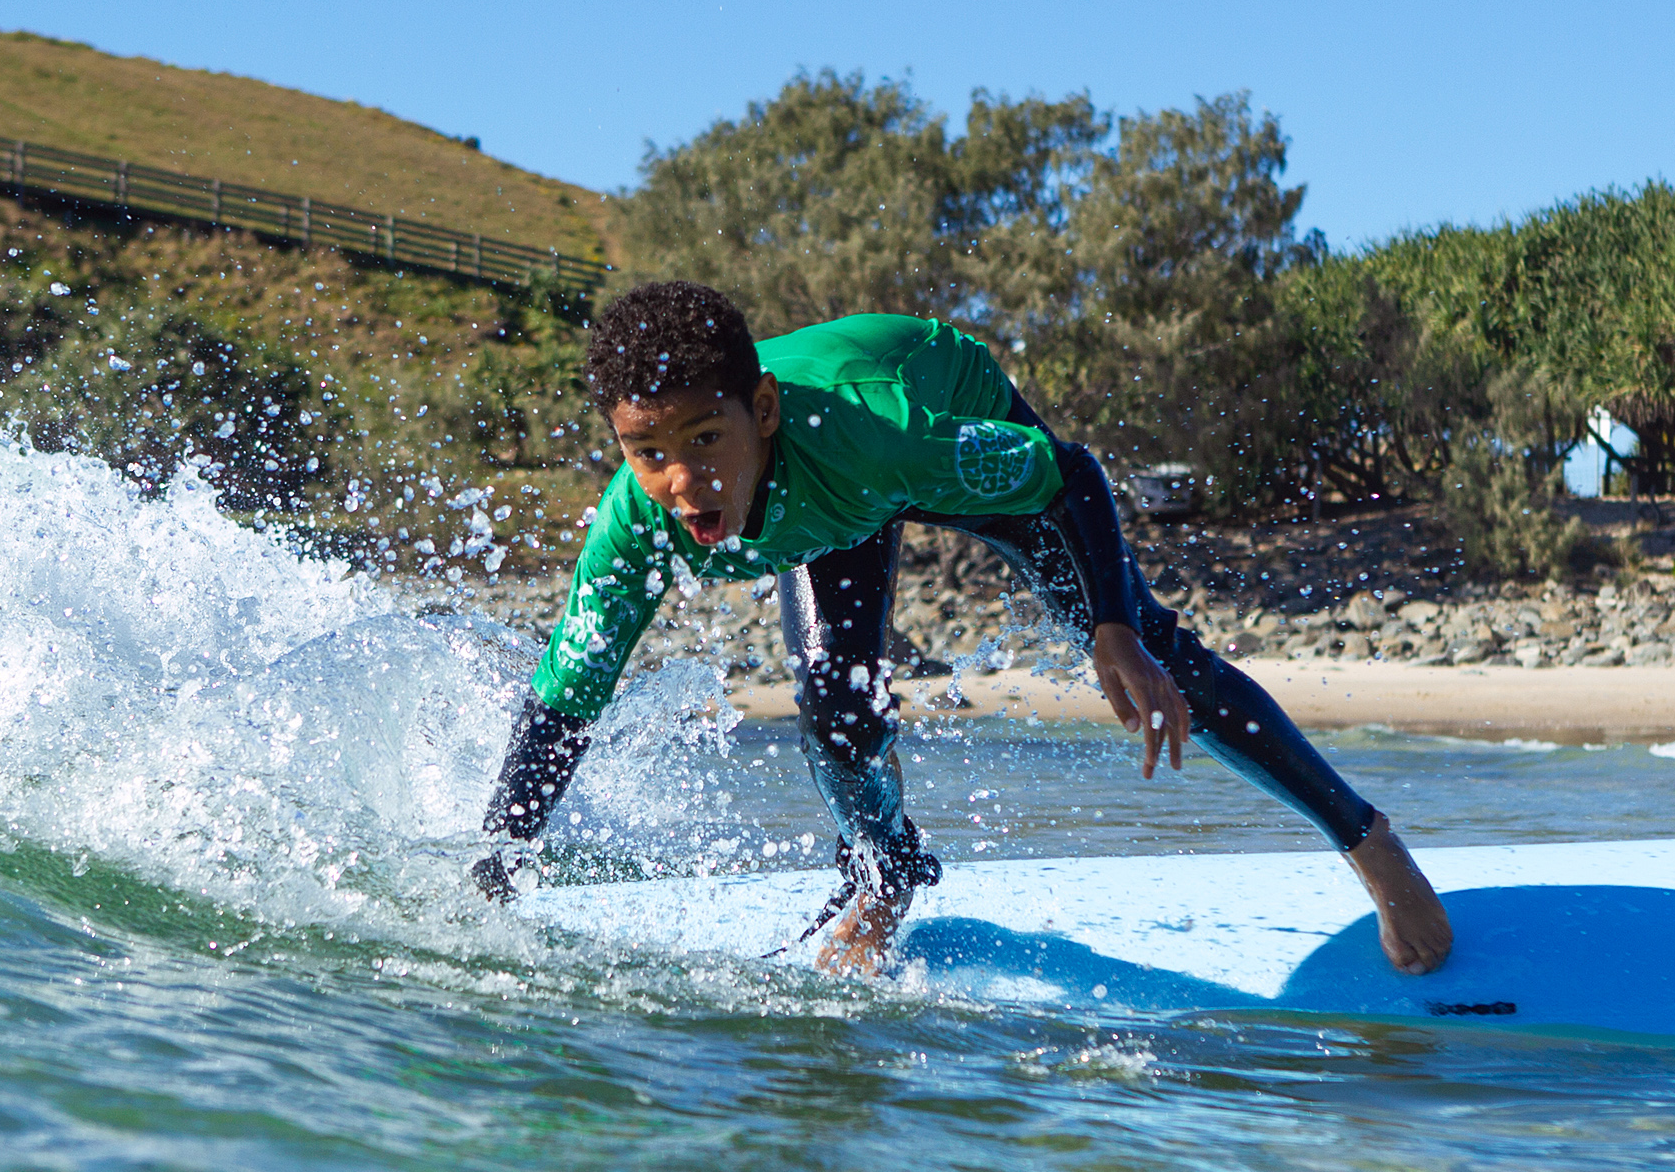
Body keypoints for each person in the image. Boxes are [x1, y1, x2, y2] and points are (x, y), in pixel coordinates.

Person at [475, 280, 1454, 977]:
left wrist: (1111, 627)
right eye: (649, 452)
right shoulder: (634, 523)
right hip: (837, 496)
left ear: (760, 410)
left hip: (929, 414)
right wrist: (494, 870)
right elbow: (563, 703)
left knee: (1156, 656)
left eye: (703, 440)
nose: (683, 480)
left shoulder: (889, 428)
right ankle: (885, 866)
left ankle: (1371, 843)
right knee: (832, 702)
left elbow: (1070, 472)